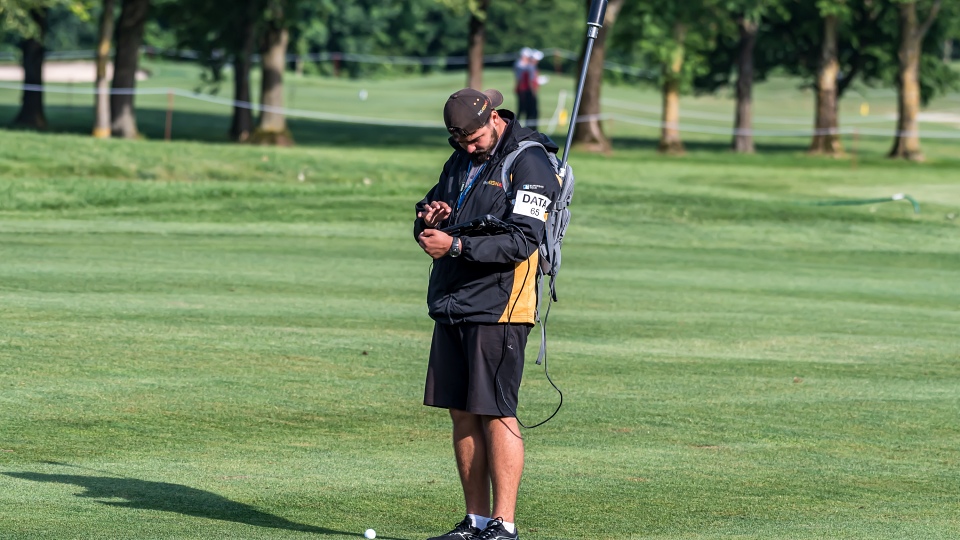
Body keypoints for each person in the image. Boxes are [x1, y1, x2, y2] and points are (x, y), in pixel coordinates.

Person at [414, 88, 561, 540]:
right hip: (453, 300)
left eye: (475, 139)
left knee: (496, 411)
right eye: (460, 142)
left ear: (493, 118)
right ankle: (474, 521)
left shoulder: (530, 161)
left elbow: (522, 240)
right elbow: (431, 211)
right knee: (462, 411)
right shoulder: (459, 159)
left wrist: (455, 245)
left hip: (501, 305)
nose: (469, 148)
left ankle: (504, 524)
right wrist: (429, 218)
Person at [513, 48, 543, 128]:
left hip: (525, 91)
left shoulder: (527, 66)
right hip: (526, 91)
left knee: (525, 111)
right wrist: (533, 92)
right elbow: (529, 81)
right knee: (528, 111)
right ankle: (526, 128)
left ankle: (525, 127)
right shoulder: (528, 67)